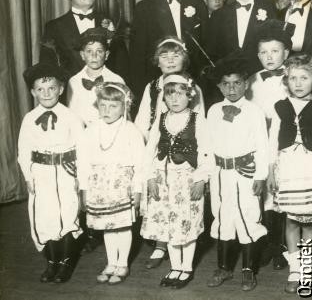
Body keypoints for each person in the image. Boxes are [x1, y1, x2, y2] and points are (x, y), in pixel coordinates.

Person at [267, 54, 312, 293]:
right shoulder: (279, 107)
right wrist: (270, 171)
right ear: (286, 81)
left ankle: (307, 269)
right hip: (288, 169)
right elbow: (272, 142)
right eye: (292, 78)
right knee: (290, 220)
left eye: (304, 77)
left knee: (310, 222)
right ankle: (294, 269)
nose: (298, 83)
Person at [140, 74, 211, 289]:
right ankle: (175, 266)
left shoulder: (198, 119)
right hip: (164, 179)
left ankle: (186, 267)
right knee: (168, 224)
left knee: (186, 223)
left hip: (187, 179)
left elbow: (207, 151)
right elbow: (149, 150)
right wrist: (150, 177)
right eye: (170, 95)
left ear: (189, 96)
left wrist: (201, 179)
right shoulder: (161, 118)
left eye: (180, 94)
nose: (175, 99)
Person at [205, 56, 268, 291]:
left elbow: (262, 145)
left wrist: (260, 175)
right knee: (222, 217)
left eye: (237, 83)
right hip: (221, 173)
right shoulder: (212, 111)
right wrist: (210, 175)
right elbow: (208, 145)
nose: (232, 89)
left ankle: (248, 269)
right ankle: (223, 267)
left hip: (245, 173)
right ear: (219, 86)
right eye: (226, 84)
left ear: (246, 84)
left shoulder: (254, 111)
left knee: (248, 217)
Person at [18, 62, 84, 283]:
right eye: (40, 89)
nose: (46, 93)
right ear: (33, 92)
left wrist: (80, 178)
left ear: (61, 89)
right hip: (41, 173)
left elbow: (82, 149)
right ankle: (51, 262)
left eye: (52, 88)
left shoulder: (72, 117)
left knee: (67, 215)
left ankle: (65, 262)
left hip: (66, 172)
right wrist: (28, 176)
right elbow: (23, 150)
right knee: (45, 218)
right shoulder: (29, 119)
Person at [79, 82, 144, 284]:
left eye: (113, 106)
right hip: (99, 185)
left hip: (122, 185)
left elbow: (140, 163)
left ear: (124, 107)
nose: (107, 110)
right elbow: (83, 161)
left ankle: (122, 263)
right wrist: (84, 189)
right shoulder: (90, 130)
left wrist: (138, 189)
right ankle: (111, 262)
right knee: (108, 225)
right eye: (103, 105)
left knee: (122, 226)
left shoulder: (131, 130)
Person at [129, 0, 208, 95]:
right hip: (158, 87)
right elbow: (137, 58)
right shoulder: (144, 8)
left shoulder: (198, 5)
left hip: (194, 85)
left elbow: (206, 50)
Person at [246, 19, 290, 271]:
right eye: (263, 52)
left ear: (285, 52)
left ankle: (284, 246)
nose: (269, 57)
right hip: (261, 143)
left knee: (283, 193)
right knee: (265, 197)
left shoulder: (293, 76)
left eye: (274, 51)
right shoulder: (253, 80)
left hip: (285, 143)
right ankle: (270, 243)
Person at [41, 0, 127, 80]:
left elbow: (122, 65)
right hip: (71, 93)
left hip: (107, 93)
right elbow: (47, 69)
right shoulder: (54, 27)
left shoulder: (109, 23)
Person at [206, 0, 276, 75]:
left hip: (260, 78)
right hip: (228, 81)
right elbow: (212, 54)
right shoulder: (218, 15)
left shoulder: (271, 11)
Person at [135, 37, 205, 142]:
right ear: (158, 62)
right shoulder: (151, 87)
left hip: (185, 145)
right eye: (164, 57)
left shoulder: (193, 87)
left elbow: (200, 120)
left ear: (184, 60)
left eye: (176, 56)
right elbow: (142, 121)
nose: (170, 60)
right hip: (155, 142)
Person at [67, 28, 125, 127]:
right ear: (82, 55)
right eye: (89, 51)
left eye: (99, 51)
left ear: (106, 55)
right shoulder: (74, 81)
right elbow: (71, 114)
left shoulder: (116, 80)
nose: (94, 56)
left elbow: (122, 114)